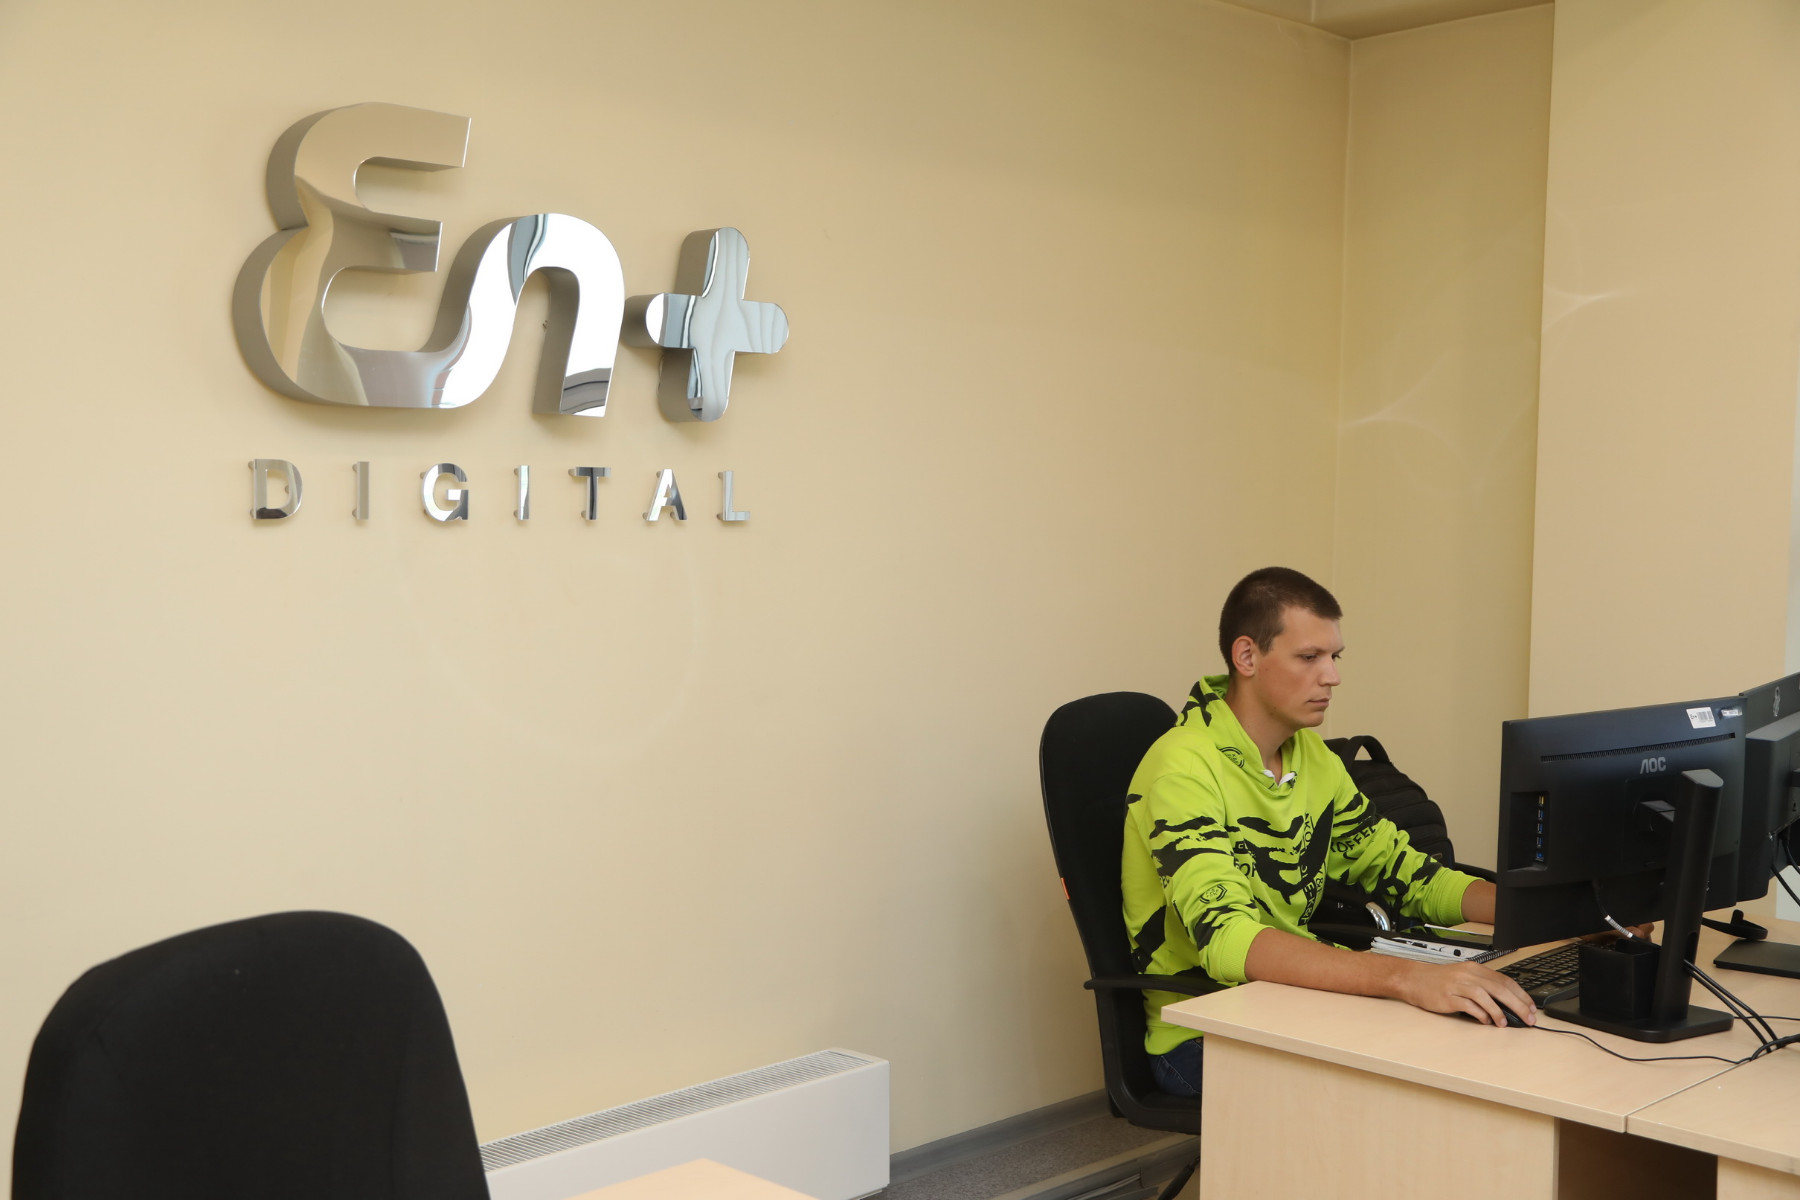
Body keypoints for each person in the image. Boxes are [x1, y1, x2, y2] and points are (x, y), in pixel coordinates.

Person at [1120, 566, 1534, 1098]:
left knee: (1481, 1048)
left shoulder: (1310, 756)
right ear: (1247, 657)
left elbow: (1410, 875)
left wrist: (1557, 916)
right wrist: (1403, 977)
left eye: (1335, 657)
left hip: (1293, 1004)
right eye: (1309, 657)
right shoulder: (1182, 768)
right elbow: (1229, 940)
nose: (1332, 676)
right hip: (1203, 1033)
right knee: (1415, 1087)